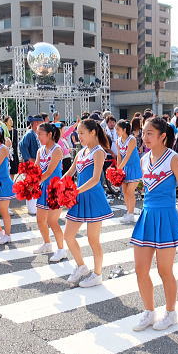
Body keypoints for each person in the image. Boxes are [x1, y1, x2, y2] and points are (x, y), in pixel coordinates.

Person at [130, 117, 178, 331]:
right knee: (140, 269)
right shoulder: (143, 159)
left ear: (162, 136)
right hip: (147, 216)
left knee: (164, 270)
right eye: (144, 132)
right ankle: (149, 312)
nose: (145, 136)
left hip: (166, 216)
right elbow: (144, 188)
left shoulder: (173, 159)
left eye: (150, 133)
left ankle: (170, 313)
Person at [63, 119, 113, 287]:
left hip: (93, 197)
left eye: (82, 133)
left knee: (93, 240)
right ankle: (81, 266)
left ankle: (97, 274)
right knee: (68, 236)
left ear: (93, 132)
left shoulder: (98, 152)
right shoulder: (81, 152)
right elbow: (69, 173)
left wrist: (74, 191)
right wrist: (56, 186)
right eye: (77, 133)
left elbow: (95, 179)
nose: (79, 136)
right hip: (78, 197)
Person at [34, 123, 67, 262]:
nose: (38, 136)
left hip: (54, 188)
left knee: (53, 221)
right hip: (42, 187)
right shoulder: (40, 150)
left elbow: (48, 172)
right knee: (40, 220)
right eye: (37, 133)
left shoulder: (57, 149)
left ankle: (61, 250)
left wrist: (34, 183)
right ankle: (47, 244)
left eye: (40, 134)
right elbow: (36, 168)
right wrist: (28, 180)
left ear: (49, 135)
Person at [115, 119, 143, 222]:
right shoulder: (118, 141)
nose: (116, 131)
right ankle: (128, 213)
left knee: (130, 191)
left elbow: (127, 157)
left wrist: (119, 169)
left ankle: (131, 214)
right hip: (124, 168)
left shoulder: (132, 139)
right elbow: (119, 156)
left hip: (134, 167)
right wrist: (118, 171)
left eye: (118, 129)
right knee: (125, 192)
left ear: (124, 129)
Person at [20, 116, 42, 214]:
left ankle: (34, 207)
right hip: (31, 164)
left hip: (35, 163)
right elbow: (22, 146)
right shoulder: (29, 134)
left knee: (35, 185)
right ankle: (32, 209)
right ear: (36, 123)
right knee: (31, 186)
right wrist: (29, 159)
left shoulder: (35, 134)